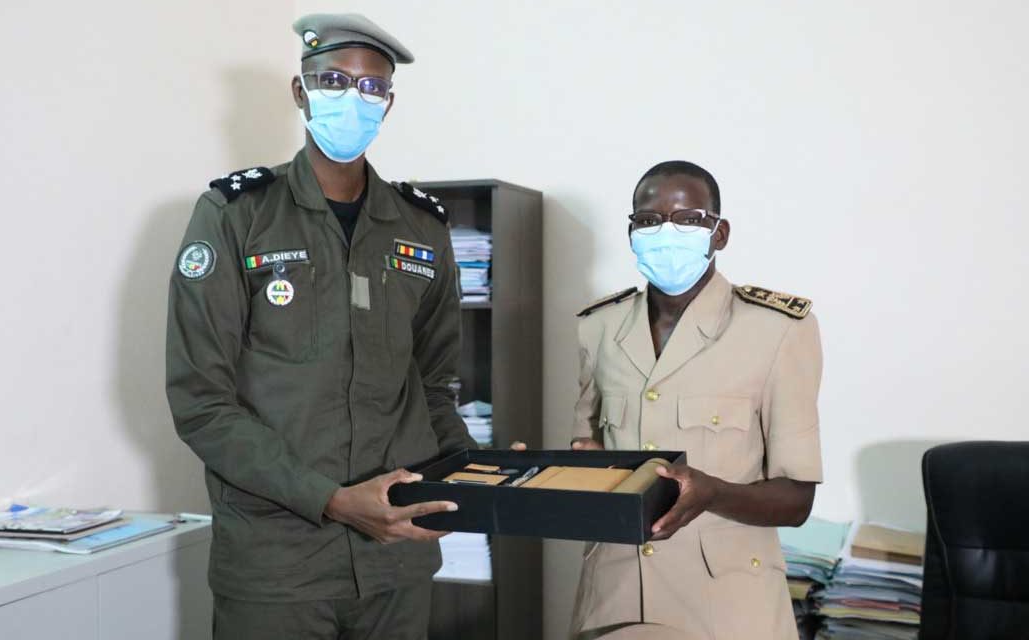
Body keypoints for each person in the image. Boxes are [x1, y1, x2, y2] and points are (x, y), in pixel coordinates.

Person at [165, 13, 475, 640]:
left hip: (396, 559)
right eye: (334, 79)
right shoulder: (235, 216)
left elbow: (433, 385)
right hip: (278, 566)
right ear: (301, 91)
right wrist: (331, 499)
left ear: (387, 106)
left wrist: (477, 469)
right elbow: (202, 403)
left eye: (370, 87)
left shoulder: (421, 228)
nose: (352, 98)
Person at [518, 161, 822, 639]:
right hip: (614, 593)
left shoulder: (778, 330)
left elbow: (797, 500)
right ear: (631, 232)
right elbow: (587, 453)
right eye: (649, 220)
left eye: (689, 219)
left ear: (719, 234)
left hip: (727, 606)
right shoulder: (598, 327)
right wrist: (537, 474)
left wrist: (713, 492)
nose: (666, 232)